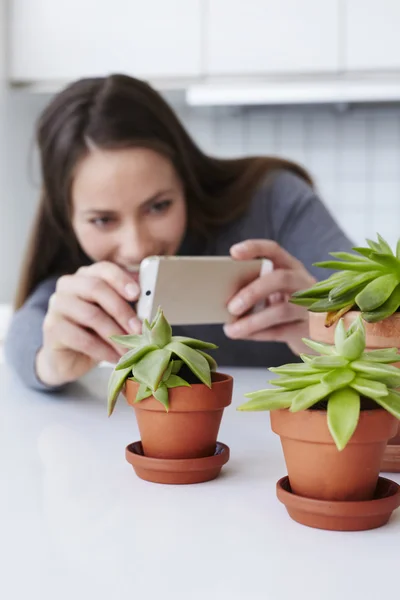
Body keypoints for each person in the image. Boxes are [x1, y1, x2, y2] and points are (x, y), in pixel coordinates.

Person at [5, 74, 353, 391]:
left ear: (185, 178)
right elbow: (27, 328)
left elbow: (382, 316)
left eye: (158, 206)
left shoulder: (274, 202)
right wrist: (50, 362)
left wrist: (327, 329)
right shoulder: (80, 265)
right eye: (102, 221)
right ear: (67, 219)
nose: (136, 248)